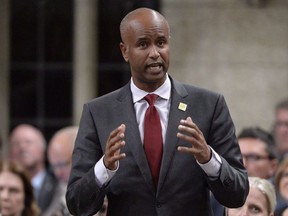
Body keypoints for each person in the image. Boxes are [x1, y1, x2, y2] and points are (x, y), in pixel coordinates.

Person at [66, 7, 249, 216]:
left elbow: (238, 194)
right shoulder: (98, 112)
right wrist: (104, 168)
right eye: (143, 44)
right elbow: (76, 204)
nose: (155, 53)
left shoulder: (209, 105)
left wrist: (209, 160)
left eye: (161, 43)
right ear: (125, 51)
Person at [9, 124, 60, 215]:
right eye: (16, 143)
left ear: (43, 149)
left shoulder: (60, 184)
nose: (22, 147)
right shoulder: (4, 187)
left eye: (28, 142)